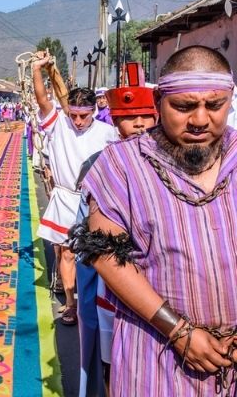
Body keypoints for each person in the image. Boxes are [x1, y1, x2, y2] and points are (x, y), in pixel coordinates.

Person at [73, 45, 237, 395]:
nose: (200, 120)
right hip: (156, 355)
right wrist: (179, 332)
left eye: (214, 105)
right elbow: (105, 256)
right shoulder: (121, 166)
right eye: (184, 106)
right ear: (159, 100)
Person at [73, 63, 158, 397]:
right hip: (114, 286)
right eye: (129, 116)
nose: (138, 124)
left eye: (145, 115)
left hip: (165, 281)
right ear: (115, 119)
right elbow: (89, 238)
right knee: (117, 367)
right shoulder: (97, 165)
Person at [32, 50, 118, 326]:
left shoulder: (108, 133)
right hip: (65, 198)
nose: (78, 122)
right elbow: (42, 99)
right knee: (66, 252)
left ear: (94, 111)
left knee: (96, 255)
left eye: (83, 116)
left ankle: (96, 301)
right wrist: (37, 69)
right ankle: (71, 303)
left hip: (95, 201)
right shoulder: (58, 124)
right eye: (74, 115)